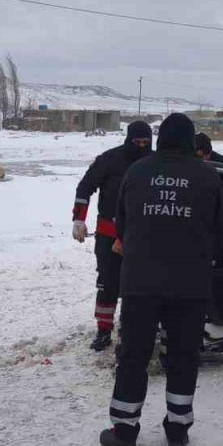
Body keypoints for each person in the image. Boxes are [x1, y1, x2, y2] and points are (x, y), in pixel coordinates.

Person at [101, 113, 223, 446]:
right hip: (190, 285)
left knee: (134, 356)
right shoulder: (208, 175)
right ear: (189, 140)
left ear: (160, 138)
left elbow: (121, 226)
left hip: (141, 284)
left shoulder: (137, 172)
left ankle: (124, 432)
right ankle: (177, 431)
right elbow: (220, 229)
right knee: (184, 357)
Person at [72, 120, 153, 351]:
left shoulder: (154, 162)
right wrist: (79, 218)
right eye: (136, 142)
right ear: (128, 139)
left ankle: (132, 329)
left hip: (143, 236)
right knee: (108, 283)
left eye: (146, 142)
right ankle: (103, 330)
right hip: (109, 233)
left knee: (138, 286)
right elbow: (84, 188)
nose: (141, 146)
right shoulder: (109, 160)